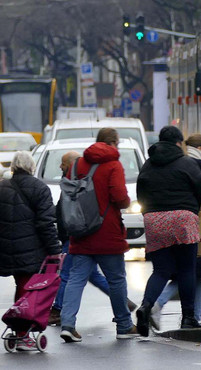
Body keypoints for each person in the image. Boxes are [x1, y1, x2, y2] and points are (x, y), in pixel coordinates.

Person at [0, 151, 61, 350]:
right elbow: (46, 223)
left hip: (7, 248)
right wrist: (55, 250)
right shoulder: (40, 188)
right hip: (32, 249)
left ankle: (20, 330)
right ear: (31, 167)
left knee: (21, 286)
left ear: (13, 167)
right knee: (27, 289)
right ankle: (22, 334)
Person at [58, 128, 138, 343]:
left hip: (80, 231)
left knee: (76, 279)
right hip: (107, 232)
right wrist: (125, 202)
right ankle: (124, 325)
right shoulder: (113, 164)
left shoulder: (76, 164)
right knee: (116, 280)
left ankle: (67, 324)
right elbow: (120, 197)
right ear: (114, 143)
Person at [148, 133, 201, 331]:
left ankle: (152, 305)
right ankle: (191, 316)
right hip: (189, 221)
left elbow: (142, 190)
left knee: (165, 270)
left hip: (157, 220)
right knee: (193, 270)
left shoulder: (151, 163)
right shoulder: (192, 162)